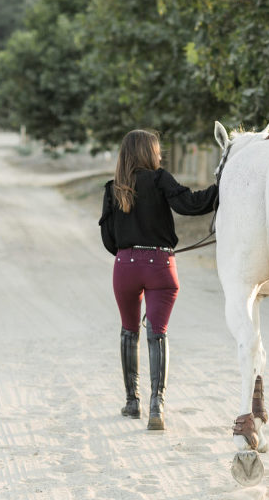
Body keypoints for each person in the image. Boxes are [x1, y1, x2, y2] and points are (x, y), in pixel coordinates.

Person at [99, 129, 218, 430]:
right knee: (157, 332)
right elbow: (191, 204)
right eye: (157, 150)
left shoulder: (113, 188)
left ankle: (131, 401)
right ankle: (157, 405)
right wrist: (224, 185)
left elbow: (108, 238)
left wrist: (130, 249)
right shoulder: (160, 179)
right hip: (160, 265)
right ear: (147, 153)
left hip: (125, 266)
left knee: (129, 330)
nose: (160, 155)